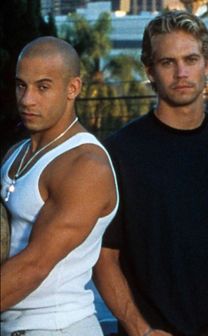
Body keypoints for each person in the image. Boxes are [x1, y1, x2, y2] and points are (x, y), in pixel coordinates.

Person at [94, 10, 208, 336]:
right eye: (168, 62)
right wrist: (140, 328)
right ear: (150, 71)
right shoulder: (119, 152)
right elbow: (103, 258)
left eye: (191, 59)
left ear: (207, 65)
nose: (182, 72)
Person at [0, 36, 119, 336]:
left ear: (73, 88)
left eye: (43, 87)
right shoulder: (16, 153)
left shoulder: (85, 165)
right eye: (21, 85)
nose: (27, 99)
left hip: (58, 328)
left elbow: (34, 266)